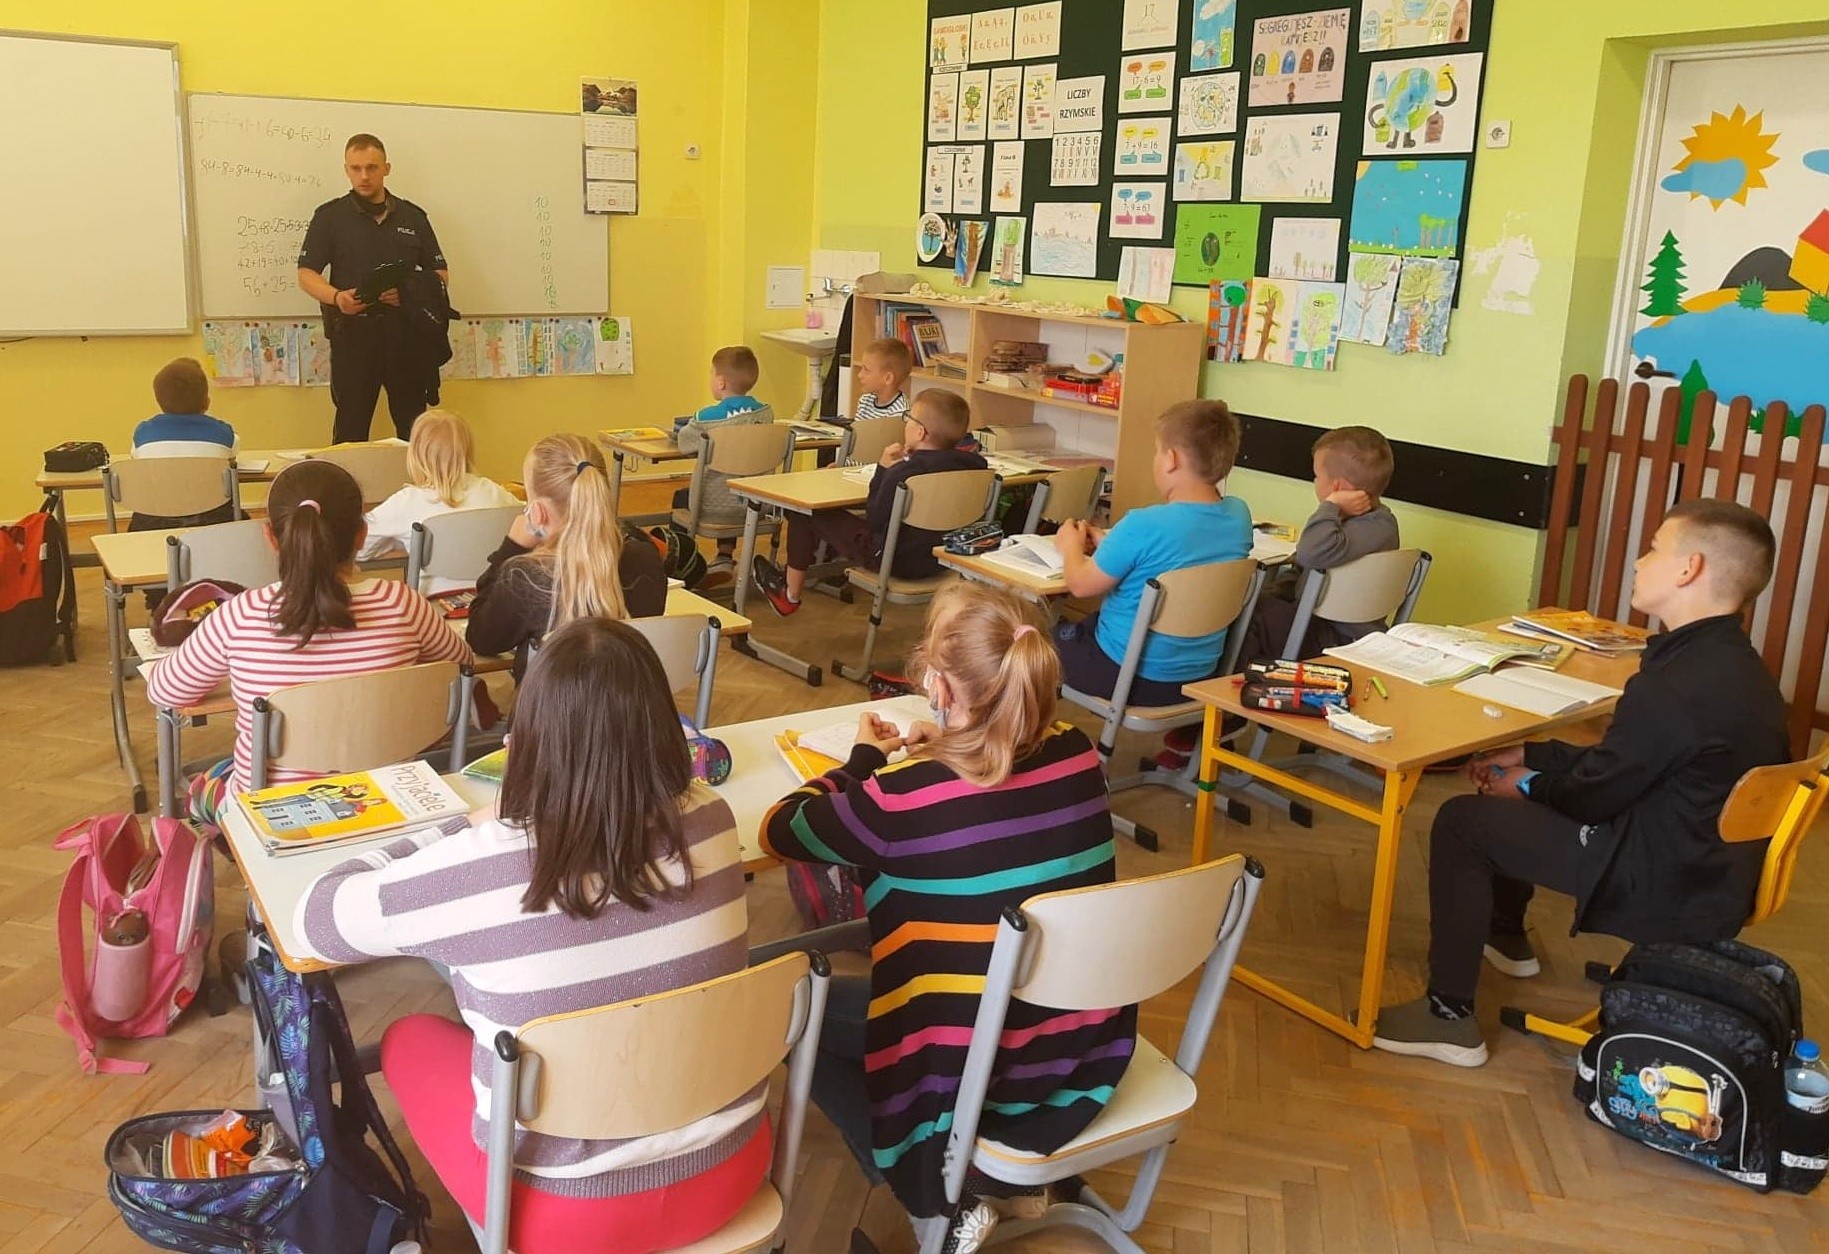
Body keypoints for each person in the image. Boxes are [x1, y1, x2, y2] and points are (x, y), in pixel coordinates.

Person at [294, 618, 765, 1253]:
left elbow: (314, 920)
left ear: (529, 738)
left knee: (408, 1036)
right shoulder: (712, 817)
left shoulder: (484, 863)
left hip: (569, 1217)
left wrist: (460, 828)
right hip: (732, 1168)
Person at [760, 584, 1133, 1253]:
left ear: (936, 684)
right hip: (1080, 1053)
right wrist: (954, 743)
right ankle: (1012, 1177)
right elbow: (999, 780)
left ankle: (937, 1198)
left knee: (786, 1005)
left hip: (972, 1074)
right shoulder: (1080, 756)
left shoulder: (899, 799)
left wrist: (863, 761)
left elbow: (782, 830)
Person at [1372, 500, 1790, 1068]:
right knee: (1514, 801)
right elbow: (1629, 763)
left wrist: (1526, 783)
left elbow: (1593, 796)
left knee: (1463, 822)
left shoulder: (1678, 686)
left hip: (1663, 878)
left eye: (1653, 549)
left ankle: (1448, 1017)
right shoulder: (1732, 665)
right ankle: (1503, 935)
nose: (1640, 562)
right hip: (1706, 867)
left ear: (1688, 569)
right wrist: (1533, 755)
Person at [144, 460, 472, 828]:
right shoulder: (402, 604)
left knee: (207, 784)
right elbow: (460, 662)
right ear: (362, 536)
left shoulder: (239, 615)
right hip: (387, 801)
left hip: (275, 818)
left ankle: (231, 853)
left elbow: (165, 691)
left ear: (271, 538)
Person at [1050, 399, 1253, 705]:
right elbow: (1179, 555)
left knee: (1036, 643)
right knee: (1083, 627)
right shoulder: (1239, 516)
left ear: (1171, 459)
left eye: (1157, 451)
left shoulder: (1142, 524)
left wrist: (1070, 547)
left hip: (1126, 674)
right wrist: (1111, 544)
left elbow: (1080, 585)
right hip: (1197, 678)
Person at [750, 389, 986, 616]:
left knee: (803, 509)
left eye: (909, 417)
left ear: (920, 433)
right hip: (942, 560)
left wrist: (883, 469)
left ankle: (789, 595)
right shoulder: (976, 467)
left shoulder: (903, 474)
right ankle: (816, 565)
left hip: (895, 561)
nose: (905, 423)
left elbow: (875, 519)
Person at [467, 433, 666, 682]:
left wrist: (512, 547)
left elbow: (481, 638)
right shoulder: (646, 558)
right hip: (630, 702)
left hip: (552, 706)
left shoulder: (527, 576)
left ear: (537, 512)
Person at [297, 133, 449, 444]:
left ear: (386, 168)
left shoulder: (413, 217)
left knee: (414, 431)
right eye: (356, 168)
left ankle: (418, 479)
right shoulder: (330, 217)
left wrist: (408, 292)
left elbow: (440, 274)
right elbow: (306, 273)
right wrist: (337, 298)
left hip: (405, 338)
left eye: (371, 167)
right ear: (346, 170)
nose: (364, 176)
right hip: (353, 337)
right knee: (350, 431)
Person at [1242, 424, 1401, 661]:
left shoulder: (1370, 528)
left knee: (1249, 608)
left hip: (1333, 638)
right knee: (1263, 596)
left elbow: (1309, 553)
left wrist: (1330, 505)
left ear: (1338, 487)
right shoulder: (1378, 523)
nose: (1315, 481)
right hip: (1331, 628)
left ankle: (1237, 680)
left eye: (1317, 476)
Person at [358, 409, 520, 591]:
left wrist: (399, 541)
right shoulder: (493, 492)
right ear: (467, 450)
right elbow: (527, 524)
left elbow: (359, 548)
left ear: (415, 455)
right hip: (489, 598)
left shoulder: (406, 502)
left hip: (431, 602)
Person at [671, 345, 770, 580]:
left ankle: (681, 564)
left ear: (721, 382)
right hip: (756, 503)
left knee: (682, 498)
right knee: (733, 482)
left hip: (712, 507)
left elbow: (685, 443)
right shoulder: (766, 414)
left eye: (711, 373)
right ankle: (724, 556)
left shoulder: (705, 419)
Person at [127, 357, 239, 533]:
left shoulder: (143, 434)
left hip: (153, 522)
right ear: (206, 401)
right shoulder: (224, 433)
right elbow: (231, 459)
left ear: (159, 401)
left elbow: (137, 460)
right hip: (214, 522)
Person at [851, 338, 913, 423]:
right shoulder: (865, 400)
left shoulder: (900, 412)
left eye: (866, 370)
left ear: (888, 378)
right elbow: (857, 431)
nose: (859, 375)